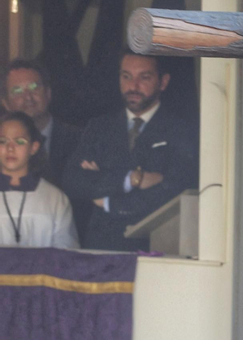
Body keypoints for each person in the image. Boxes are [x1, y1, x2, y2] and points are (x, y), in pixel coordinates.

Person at [60, 52, 199, 251]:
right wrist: (133, 179)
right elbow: (74, 181)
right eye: (126, 76)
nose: (133, 86)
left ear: (163, 82)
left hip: (156, 247)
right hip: (103, 248)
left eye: (144, 77)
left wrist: (109, 202)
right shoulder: (99, 127)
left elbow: (175, 189)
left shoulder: (180, 130)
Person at [0, 111, 78, 248]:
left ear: (33, 147)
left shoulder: (54, 198)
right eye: (3, 141)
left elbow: (66, 253)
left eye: (19, 141)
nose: (10, 148)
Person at [5, 59, 81, 188]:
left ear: (48, 93)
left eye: (34, 87)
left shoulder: (80, 140)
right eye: (17, 91)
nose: (28, 97)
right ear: (5, 103)